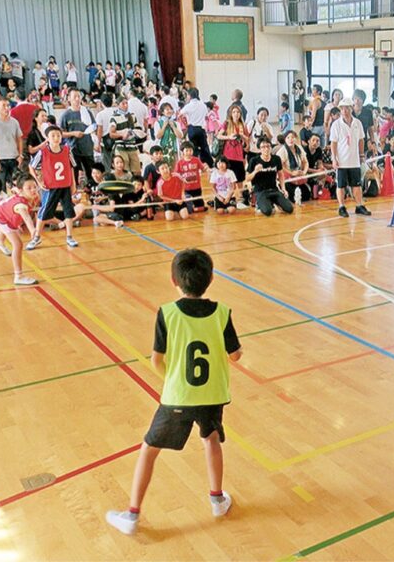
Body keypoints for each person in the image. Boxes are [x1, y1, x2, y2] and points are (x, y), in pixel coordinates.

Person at [105, 248, 242, 535]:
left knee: (149, 450)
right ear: (211, 278)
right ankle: (217, 499)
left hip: (178, 396)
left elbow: (157, 359)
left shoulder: (167, 313)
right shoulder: (222, 312)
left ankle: (131, 515)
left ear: (173, 280)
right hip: (213, 395)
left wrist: (173, 379)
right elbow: (236, 355)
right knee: (212, 439)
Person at [25, 126, 79, 250]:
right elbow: (31, 167)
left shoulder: (67, 150)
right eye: (53, 135)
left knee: (68, 212)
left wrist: (73, 184)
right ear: (47, 138)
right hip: (50, 187)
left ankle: (69, 236)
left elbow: (71, 167)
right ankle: (36, 237)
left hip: (65, 185)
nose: (56, 138)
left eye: (58, 135)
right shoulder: (43, 152)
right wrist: (39, 182)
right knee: (43, 212)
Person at [0, 176, 40, 285]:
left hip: (3, 211)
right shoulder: (21, 205)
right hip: (2, 216)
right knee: (18, 245)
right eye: (29, 188)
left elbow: (16, 191)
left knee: (14, 231)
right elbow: (26, 217)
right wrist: (32, 230)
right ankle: (18, 276)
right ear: (22, 190)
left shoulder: (26, 195)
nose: (33, 190)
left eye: (34, 187)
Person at [330, 98, 372, 218]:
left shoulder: (357, 123)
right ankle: (341, 207)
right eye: (342, 108)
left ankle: (359, 205)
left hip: (354, 161)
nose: (344, 111)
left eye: (347, 108)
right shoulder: (336, 125)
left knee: (357, 185)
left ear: (351, 108)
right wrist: (334, 158)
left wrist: (361, 155)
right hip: (342, 161)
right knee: (341, 185)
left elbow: (361, 140)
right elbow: (333, 143)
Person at [59, 88, 98, 187]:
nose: (77, 99)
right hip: (74, 149)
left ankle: (93, 191)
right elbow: (61, 133)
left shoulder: (87, 112)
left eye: (78, 97)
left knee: (91, 173)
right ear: (69, 99)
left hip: (87, 148)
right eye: (74, 97)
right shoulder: (66, 115)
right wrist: (73, 133)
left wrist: (95, 140)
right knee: (75, 173)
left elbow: (93, 126)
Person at [247, 137, 293, 216]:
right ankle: (261, 204)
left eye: (268, 146)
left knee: (289, 209)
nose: (266, 149)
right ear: (259, 149)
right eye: (263, 147)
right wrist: (255, 171)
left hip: (274, 189)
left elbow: (281, 175)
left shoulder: (276, 159)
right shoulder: (254, 160)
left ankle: (275, 202)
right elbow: (247, 178)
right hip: (260, 191)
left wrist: (283, 189)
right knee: (268, 212)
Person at [217, 105, 250, 209]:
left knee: (240, 179)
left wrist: (243, 137)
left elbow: (247, 140)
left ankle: (240, 199)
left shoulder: (242, 125)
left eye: (238, 112)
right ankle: (228, 199)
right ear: (231, 114)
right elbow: (218, 135)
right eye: (234, 112)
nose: (236, 114)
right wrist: (229, 137)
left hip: (239, 156)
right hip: (228, 156)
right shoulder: (226, 124)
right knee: (229, 179)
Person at [0, 97, 23, 187]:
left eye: (8, 105)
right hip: (0, 159)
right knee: (0, 187)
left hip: (13, 158)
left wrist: (20, 155)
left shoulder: (14, 122)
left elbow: (19, 139)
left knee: (16, 185)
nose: (7, 108)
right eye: (3, 106)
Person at [179, 88, 214, 165]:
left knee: (193, 148)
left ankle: (194, 164)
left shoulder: (188, 106)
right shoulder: (203, 105)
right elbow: (206, 116)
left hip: (192, 128)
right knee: (204, 148)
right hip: (201, 129)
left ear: (190, 96)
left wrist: (185, 123)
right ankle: (209, 164)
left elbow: (180, 114)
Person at [276, 131, 310, 202]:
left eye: (292, 137)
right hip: (287, 178)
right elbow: (280, 166)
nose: (290, 139)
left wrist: (304, 172)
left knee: (306, 196)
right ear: (285, 139)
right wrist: (292, 173)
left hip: (298, 176)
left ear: (296, 139)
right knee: (292, 197)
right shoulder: (282, 150)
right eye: (288, 137)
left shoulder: (299, 148)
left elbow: (305, 162)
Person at [174, 141, 206, 214]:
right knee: (189, 210)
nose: (189, 152)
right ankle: (189, 207)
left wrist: (206, 168)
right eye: (187, 150)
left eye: (190, 150)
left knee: (201, 207)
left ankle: (195, 207)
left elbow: (203, 169)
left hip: (197, 187)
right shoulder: (179, 163)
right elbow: (176, 174)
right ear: (183, 151)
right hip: (186, 188)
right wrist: (182, 178)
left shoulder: (196, 160)